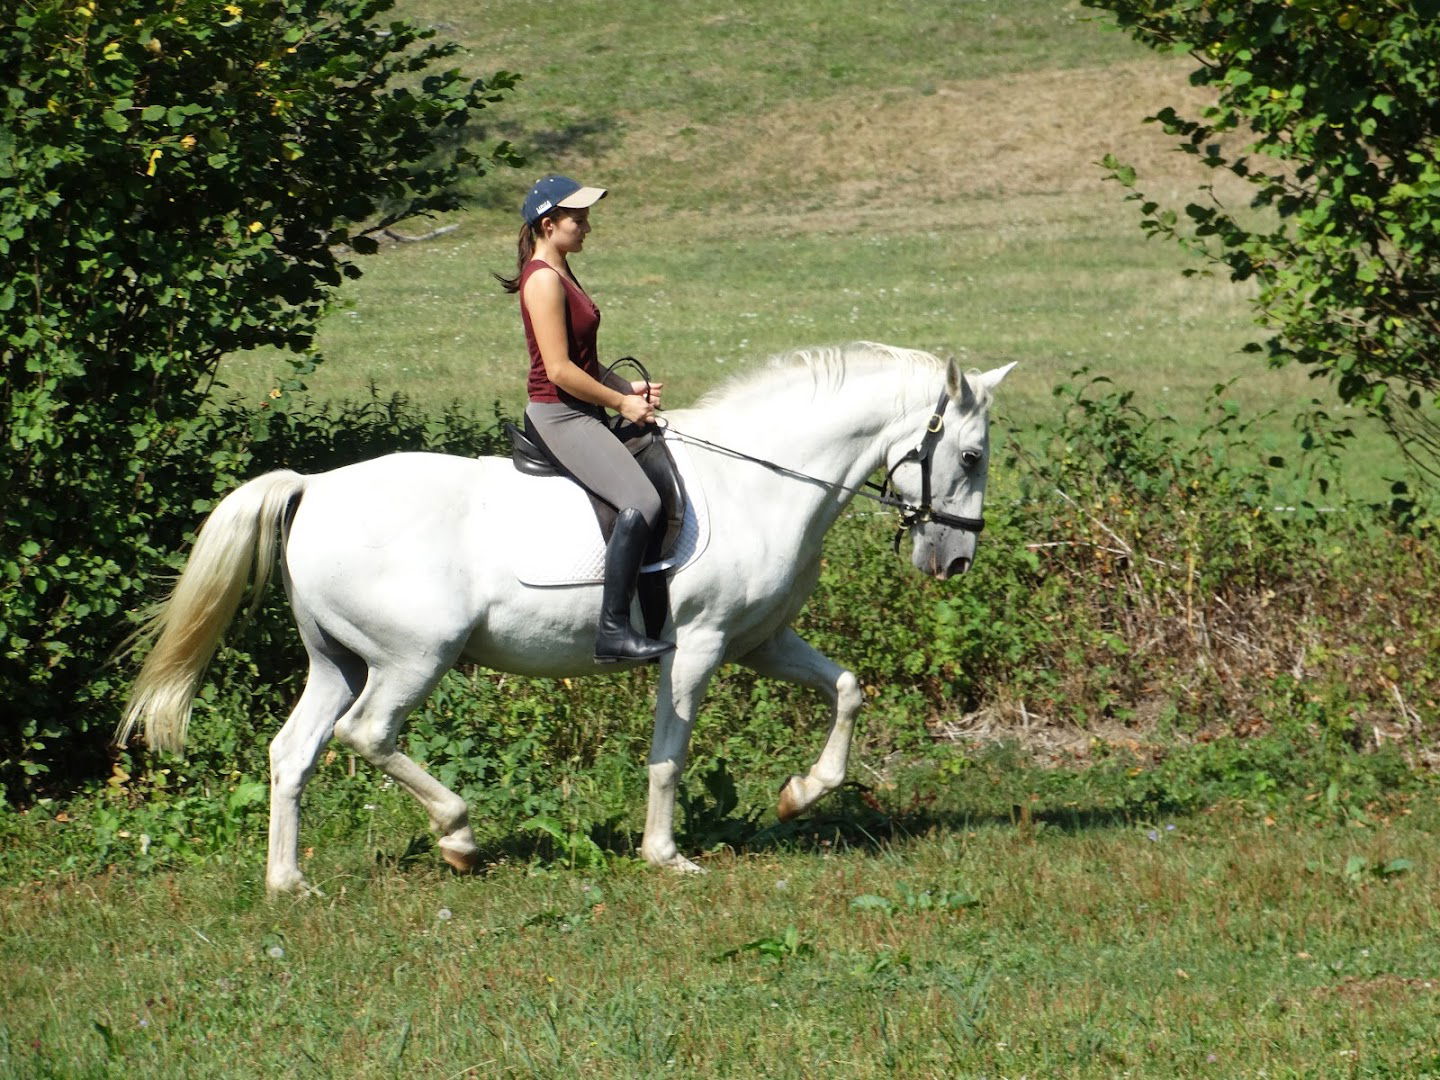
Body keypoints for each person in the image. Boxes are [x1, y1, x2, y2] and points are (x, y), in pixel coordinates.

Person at [497, 174, 676, 664]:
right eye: (579, 220)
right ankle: (613, 632)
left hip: (579, 407)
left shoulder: (561, 271)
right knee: (641, 499)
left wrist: (626, 388)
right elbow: (557, 370)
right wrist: (621, 405)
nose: (588, 228)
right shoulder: (542, 281)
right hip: (559, 416)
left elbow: (580, 361)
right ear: (548, 224)